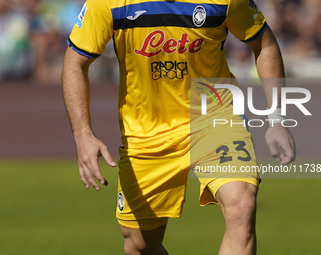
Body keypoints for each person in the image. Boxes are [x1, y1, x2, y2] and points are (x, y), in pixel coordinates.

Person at [62, 0, 296, 254]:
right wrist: (82, 134)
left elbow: (264, 42)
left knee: (242, 207)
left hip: (214, 118)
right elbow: (75, 62)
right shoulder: (108, 2)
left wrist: (276, 118)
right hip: (146, 133)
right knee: (139, 245)